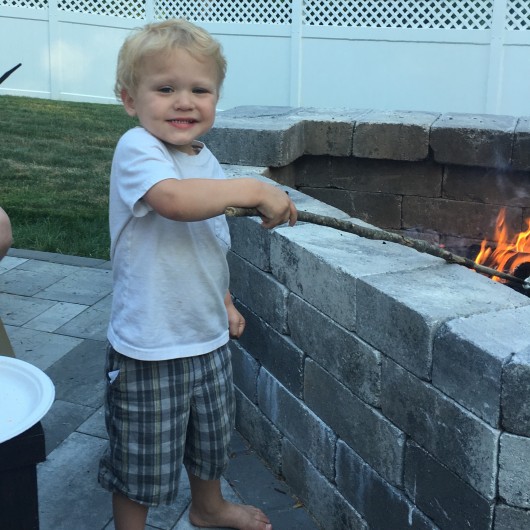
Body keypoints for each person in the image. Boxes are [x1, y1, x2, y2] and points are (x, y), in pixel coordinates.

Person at [97, 18, 297, 530]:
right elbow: (173, 202)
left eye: (198, 89)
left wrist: (225, 302)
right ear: (129, 100)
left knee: (209, 438)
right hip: (150, 345)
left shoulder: (205, 159)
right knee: (141, 459)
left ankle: (208, 508)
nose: (184, 102)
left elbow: (210, 243)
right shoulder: (138, 149)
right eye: (165, 89)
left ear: (216, 97)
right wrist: (252, 188)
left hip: (204, 336)